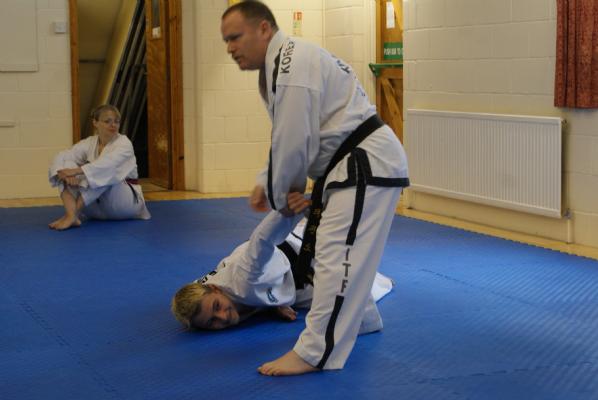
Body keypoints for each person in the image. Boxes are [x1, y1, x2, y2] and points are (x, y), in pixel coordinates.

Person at [221, 1, 409, 376]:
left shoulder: (291, 65)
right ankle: (363, 318)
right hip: (350, 165)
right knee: (330, 254)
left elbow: (295, 142)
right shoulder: (285, 63)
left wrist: (281, 197)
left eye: (235, 37)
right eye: (226, 41)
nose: (230, 48)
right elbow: (289, 135)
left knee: (337, 256)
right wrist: (266, 181)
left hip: (363, 163)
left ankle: (315, 353)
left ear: (264, 29)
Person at [171, 208, 394, 335]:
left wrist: (289, 207)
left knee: (359, 301)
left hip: (302, 257)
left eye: (217, 307)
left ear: (215, 289)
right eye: (211, 322)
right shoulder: (200, 293)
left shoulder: (244, 278)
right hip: (281, 279)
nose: (223, 317)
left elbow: (262, 238)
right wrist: (272, 306)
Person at [48, 104, 151, 230]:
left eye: (117, 121)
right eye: (108, 121)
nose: (113, 125)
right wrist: (63, 173)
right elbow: (63, 155)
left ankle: (73, 214)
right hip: (94, 209)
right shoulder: (90, 142)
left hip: (124, 204)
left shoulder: (124, 143)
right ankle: (71, 214)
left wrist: (75, 171)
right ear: (95, 123)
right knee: (64, 165)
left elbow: (107, 165)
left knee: (105, 172)